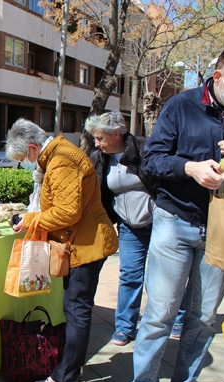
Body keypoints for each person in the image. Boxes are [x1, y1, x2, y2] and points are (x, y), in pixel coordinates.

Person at [121, 44, 224, 382]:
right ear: (218, 77)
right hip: (175, 221)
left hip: (223, 227)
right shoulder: (182, 106)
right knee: (160, 313)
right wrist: (190, 168)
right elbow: (152, 159)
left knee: (204, 317)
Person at [6, 119, 118, 382]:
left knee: (77, 309)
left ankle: (66, 379)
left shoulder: (61, 160)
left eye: (24, 158)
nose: (26, 164)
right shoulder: (58, 155)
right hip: (83, 242)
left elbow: (67, 212)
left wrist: (31, 218)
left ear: (33, 148)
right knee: (76, 307)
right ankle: (72, 365)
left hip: (85, 246)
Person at [86, 111, 160, 346]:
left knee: (164, 276)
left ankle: (176, 319)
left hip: (159, 223)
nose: (96, 143)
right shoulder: (100, 157)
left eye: (100, 138)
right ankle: (125, 326)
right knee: (129, 275)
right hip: (129, 226)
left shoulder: (145, 148)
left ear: (116, 134)